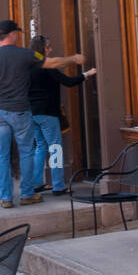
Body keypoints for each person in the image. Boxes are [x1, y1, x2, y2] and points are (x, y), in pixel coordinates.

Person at [0, 20, 84, 209]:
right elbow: (52, 62)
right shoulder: (26, 54)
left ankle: (6, 197)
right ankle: (27, 193)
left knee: (1, 155)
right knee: (26, 152)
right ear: (13, 34)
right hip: (20, 111)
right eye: (17, 33)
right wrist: (73, 58)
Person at [29, 35, 96, 195]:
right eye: (48, 47)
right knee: (55, 148)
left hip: (32, 113)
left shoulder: (28, 66)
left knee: (40, 147)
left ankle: (37, 183)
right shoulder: (47, 67)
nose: (50, 49)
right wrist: (87, 74)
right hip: (48, 113)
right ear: (42, 49)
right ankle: (58, 185)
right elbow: (68, 81)